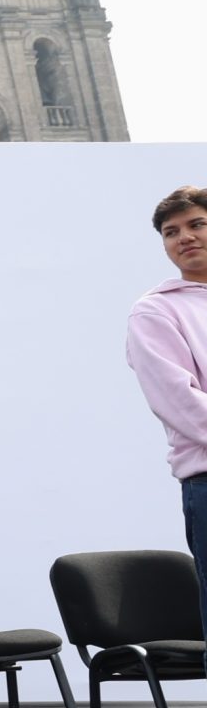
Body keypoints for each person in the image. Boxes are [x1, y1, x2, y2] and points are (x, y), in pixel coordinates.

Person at [127, 186, 207, 647]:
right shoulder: (156, 311)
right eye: (171, 232)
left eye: (197, 224)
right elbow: (179, 401)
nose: (185, 237)